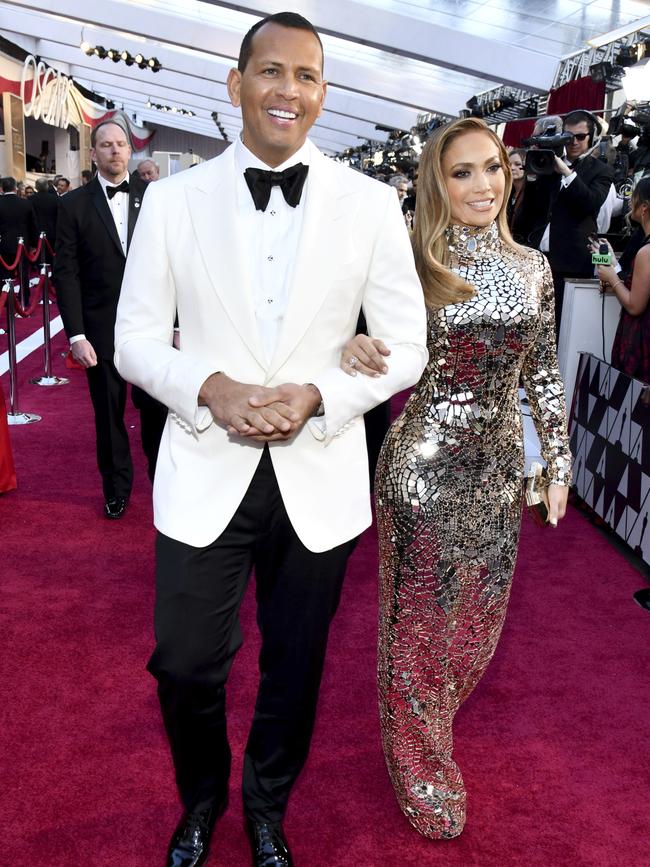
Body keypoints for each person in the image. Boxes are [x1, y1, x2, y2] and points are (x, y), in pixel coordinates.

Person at [114, 11, 427, 867]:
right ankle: (202, 795)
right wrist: (207, 386)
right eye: (272, 72)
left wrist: (322, 391)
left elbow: (406, 343)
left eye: (308, 76)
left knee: (295, 665)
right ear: (236, 84)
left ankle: (263, 806)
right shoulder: (173, 201)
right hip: (204, 457)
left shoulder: (370, 204)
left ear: (324, 94)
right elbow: (134, 339)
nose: (289, 89)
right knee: (184, 662)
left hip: (319, 468)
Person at [341, 117, 571, 839]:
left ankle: (426, 727)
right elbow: (356, 328)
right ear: (438, 184)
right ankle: (421, 764)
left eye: (493, 168)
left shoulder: (534, 268)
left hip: (500, 473)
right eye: (462, 172)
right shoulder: (415, 257)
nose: (482, 185)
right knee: (416, 628)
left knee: (473, 632)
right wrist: (349, 342)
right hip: (422, 467)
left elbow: (542, 372)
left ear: (511, 176)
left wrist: (557, 460)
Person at [54, 119, 167, 519]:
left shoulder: (156, 197)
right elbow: (65, 272)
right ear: (94, 152)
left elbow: (174, 265)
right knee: (109, 416)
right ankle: (116, 489)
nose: (116, 150)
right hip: (99, 331)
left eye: (121, 144)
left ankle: (164, 486)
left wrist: (175, 326)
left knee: (157, 412)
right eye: (107, 145)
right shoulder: (72, 205)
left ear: (129, 150)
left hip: (151, 330)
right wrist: (76, 335)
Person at [540, 110, 613, 335]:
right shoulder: (547, 162)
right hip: (539, 259)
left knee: (561, 328)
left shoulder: (601, 171)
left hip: (572, 264)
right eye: (568, 136)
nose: (573, 142)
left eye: (580, 137)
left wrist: (566, 172)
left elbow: (590, 203)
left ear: (592, 137)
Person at [592, 177, 650, 383]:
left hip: (640, 341)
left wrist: (611, 277)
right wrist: (612, 267)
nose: (628, 201)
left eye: (633, 196)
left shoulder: (646, 251)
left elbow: (635, 306)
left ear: (643, 207)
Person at [31, 178, 59, 248]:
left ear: (36, 187)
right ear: (47, 186)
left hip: (35, 233)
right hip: (52, 232)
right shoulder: (55, 199)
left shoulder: (30, 199)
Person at [507, 148, 526, 242]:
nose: (512, 168)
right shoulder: (508, 193)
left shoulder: (533, 194)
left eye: (518, 164)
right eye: (509, 164)